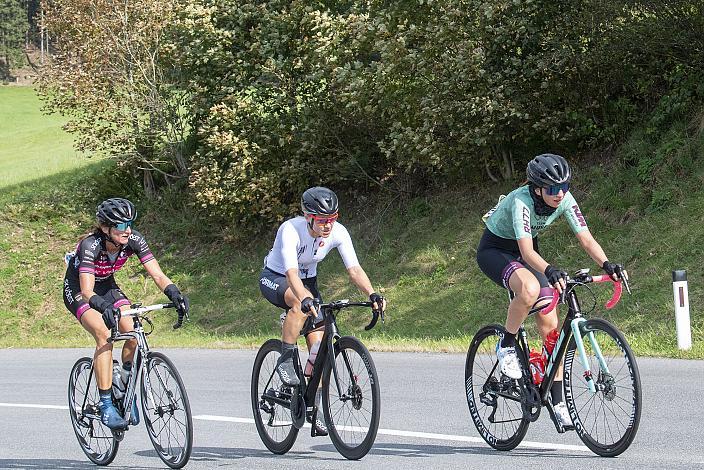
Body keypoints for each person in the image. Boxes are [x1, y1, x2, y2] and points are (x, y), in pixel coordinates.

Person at [476, 154, 627, 427]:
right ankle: (506, 345)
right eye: (553, 190)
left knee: (552, 330)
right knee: (530, 288)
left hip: (526, 253)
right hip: (496, 251)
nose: (560, 195)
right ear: (537, 189)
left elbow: (586, 238)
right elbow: (526, 251)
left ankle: (557, 401)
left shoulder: (565, 199)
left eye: (565, 187)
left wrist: (606, 264)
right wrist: (549, 270)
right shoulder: (521, 200)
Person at [259, 186, 386, 436]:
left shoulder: (338, 232)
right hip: (277, 277)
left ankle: (313, 409)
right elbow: (292, 274)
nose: (328, 225)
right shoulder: (290, 230)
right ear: (308, 217)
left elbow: (354, 270)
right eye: (322, 220)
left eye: (332, 219)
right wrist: (305, 299)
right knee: (299, 305)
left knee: (318, 353)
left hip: (309, 282)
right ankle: (285, 359)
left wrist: (372, 294)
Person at [63, 198, 189, 430]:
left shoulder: (134, 240)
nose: (127, 230)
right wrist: (102, 308)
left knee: (131, 330)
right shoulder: (91, 245)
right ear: (105, 228)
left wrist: (175, 293)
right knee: (103, 333)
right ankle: (106, 403)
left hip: (108, 286)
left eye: (129, 223)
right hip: (80, 290)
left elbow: (158, 275)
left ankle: (123, 385)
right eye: (120, 226)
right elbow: (88, 291)